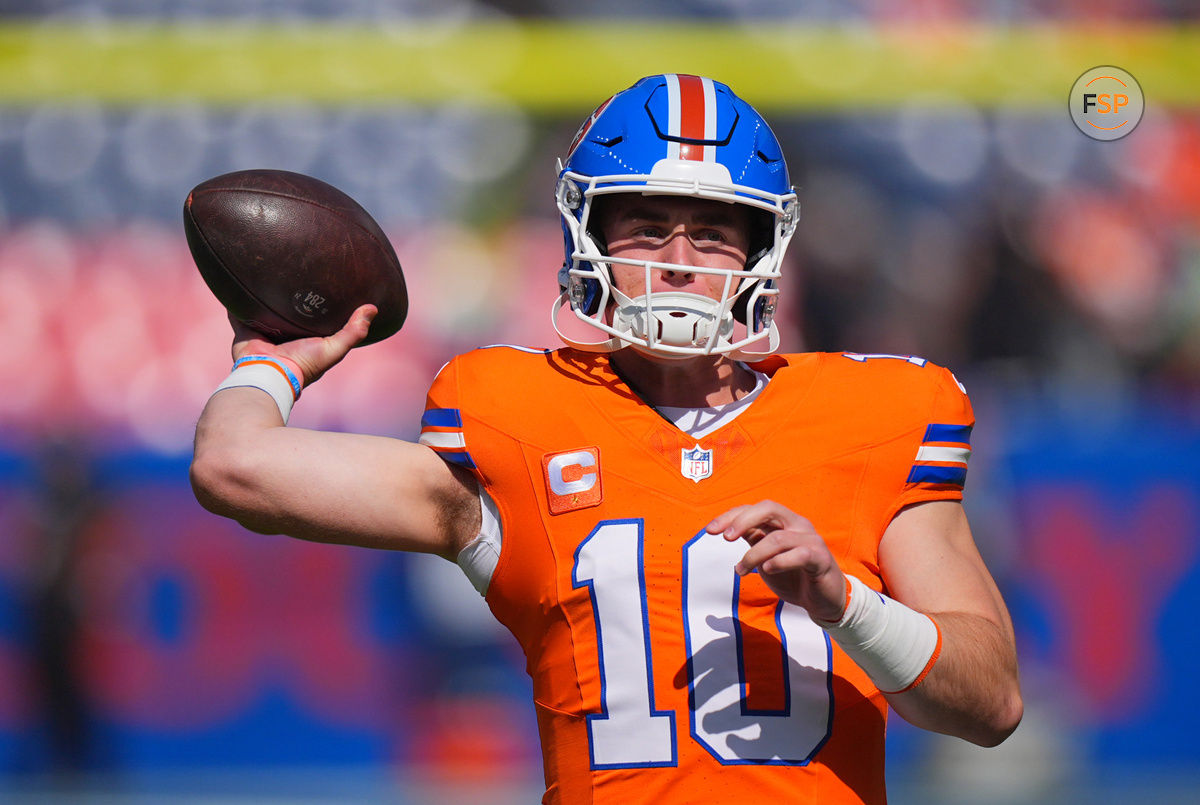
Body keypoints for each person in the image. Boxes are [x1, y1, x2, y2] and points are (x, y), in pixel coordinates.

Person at [191, 74, 1022, 804]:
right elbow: (235, 465)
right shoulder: (515, 414)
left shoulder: (876, 413)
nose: (680, 259)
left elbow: (991, 705)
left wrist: (847, 603)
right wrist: (273, 362)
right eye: (647, 227)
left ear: (763, 246)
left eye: (713, 229)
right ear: (586, 235)